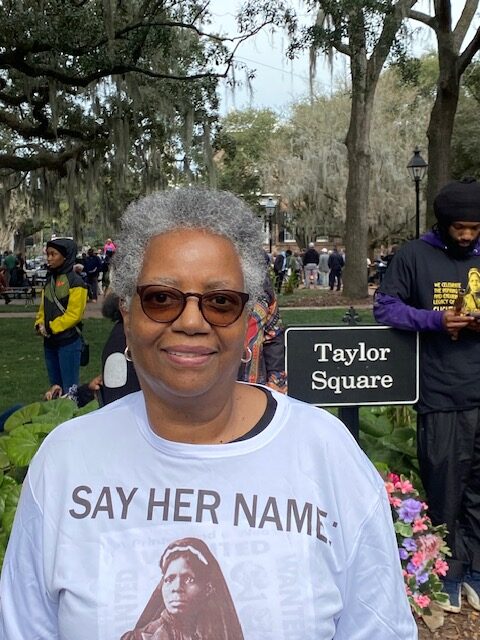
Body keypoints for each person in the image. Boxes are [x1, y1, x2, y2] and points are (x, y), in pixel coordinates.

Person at [0, 188, 416, 639]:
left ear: (247, 320)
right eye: (161, 298)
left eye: (220, 302)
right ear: (127, 311)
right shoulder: (67, 460)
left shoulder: (326, 454)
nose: (192, 322)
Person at [373, 177, 480, 615]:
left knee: (477, 489)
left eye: (475, 228)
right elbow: (386, 306)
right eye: (461, 229)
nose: (468, 236)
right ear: (444, 223)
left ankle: (476, 571)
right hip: (440, 390)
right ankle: (448, 574)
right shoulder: (415, 255)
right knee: (446, 487)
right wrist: (436, 320)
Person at [121, 537, 244, 640]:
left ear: (208, 588)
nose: (176, 588)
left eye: (188, 579)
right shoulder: (137, 638)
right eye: (169, 579)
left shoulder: (223, 635)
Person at [34, 237, 88, 394]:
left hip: (68, 342)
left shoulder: (76, 282)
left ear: (66, 256)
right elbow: (43, 307)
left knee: (70, 390)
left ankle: (73, 416)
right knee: (55, 388)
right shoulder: (49, 280)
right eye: (48, 254)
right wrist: (39, 324)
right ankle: (56, 416)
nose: (49, 258)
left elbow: (74, 314)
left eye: (53, 254)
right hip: (50, 343)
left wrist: (51, 327)